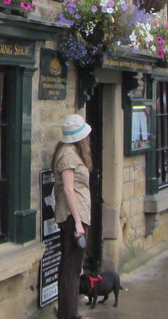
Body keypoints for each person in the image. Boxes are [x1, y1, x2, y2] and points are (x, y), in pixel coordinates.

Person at [52, 114, 92, 319]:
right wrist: (78, 223)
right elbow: (69, 190)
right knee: (70, 268)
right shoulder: (68, 155)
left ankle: (70, 312)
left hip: (77, 216)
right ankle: (68, 315)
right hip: (72, 217)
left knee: (73, 267)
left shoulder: (71, 152)